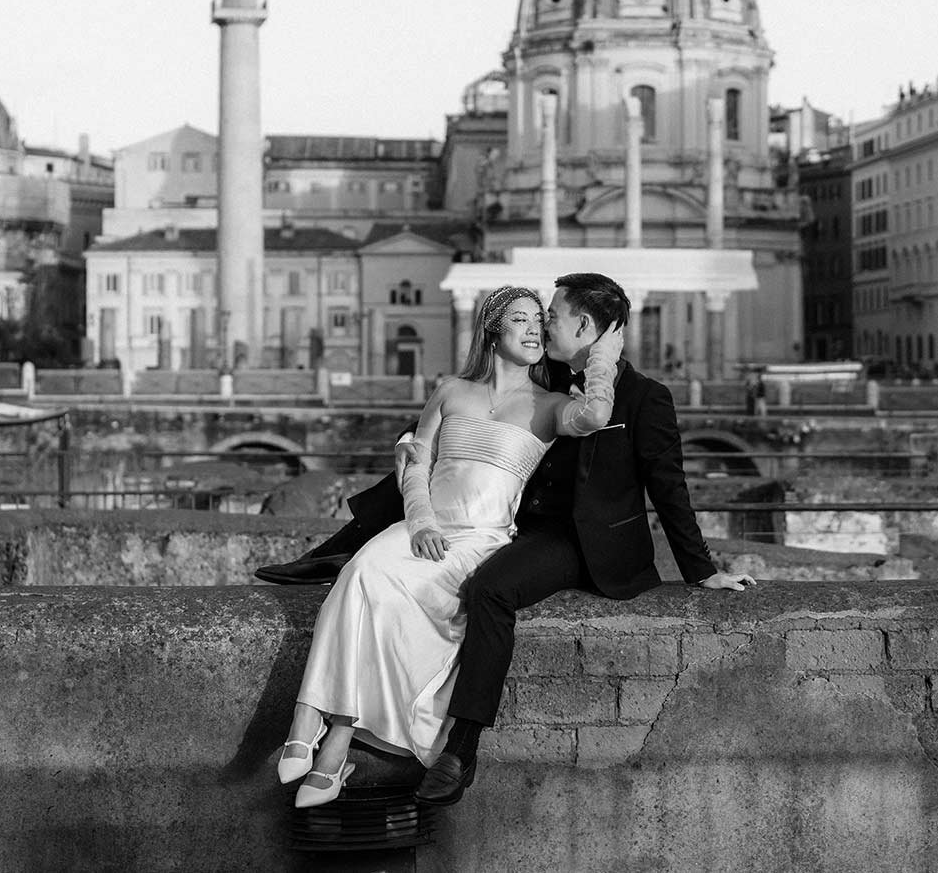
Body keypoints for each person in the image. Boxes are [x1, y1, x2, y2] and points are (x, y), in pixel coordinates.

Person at [259, 272, 754, 806]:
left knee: (488, 589)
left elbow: (668, 484)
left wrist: (701, 570)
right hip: (523, 529)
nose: (544, 325)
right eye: (530, 318)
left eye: (552, 317)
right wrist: (414, 499)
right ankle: (328, 640)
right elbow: (444, 455)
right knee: (387, 532)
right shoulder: (529, 382)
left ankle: (460, 748)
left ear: (584, 325)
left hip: (580, 543)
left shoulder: (635, 397)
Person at [276, 285, 622, 808]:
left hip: (481, 540)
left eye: (539, 320)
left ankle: (332, 733)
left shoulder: (551, 406)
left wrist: (604, 356)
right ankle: (318, 720)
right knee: (363, 572)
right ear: (492, 330)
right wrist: (419, 524)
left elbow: (596, 416)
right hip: (426, 527)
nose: (534, 329)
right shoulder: (451, 390)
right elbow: (417, 462)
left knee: (378, 585)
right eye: (521, 320)